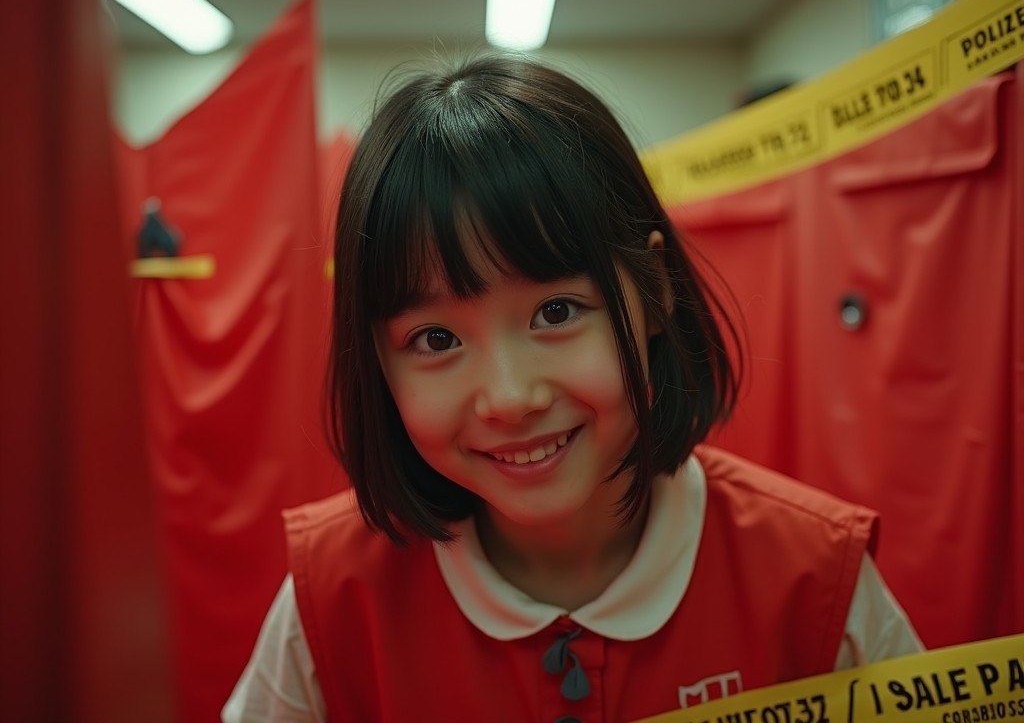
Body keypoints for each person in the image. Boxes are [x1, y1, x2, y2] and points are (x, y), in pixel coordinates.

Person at [223, 54, 921, 723]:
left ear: (652, 292)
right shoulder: (333, 600)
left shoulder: (814, 579)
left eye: (555, 312)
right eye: (437, 340)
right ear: (375, 358)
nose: (509, 396)